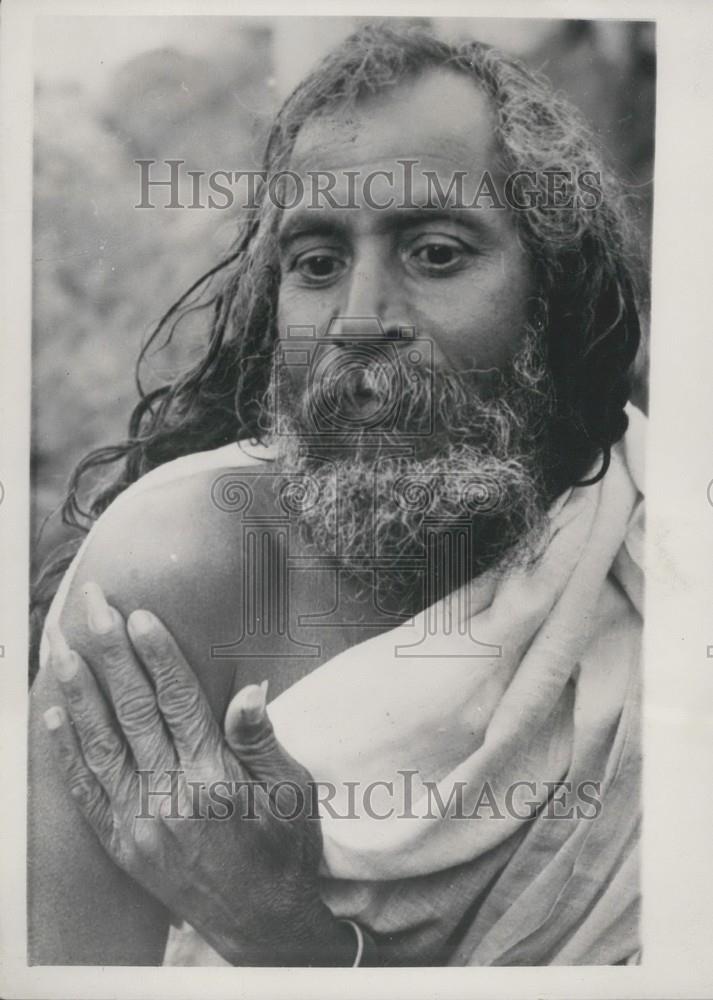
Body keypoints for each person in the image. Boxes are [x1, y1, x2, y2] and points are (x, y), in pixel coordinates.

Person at [28, 21, 645, 966]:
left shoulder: (654, 559)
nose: (359, 322)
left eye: (436, 253)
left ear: (549, 288)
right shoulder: (180, 567)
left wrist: (293, 944)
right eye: (316, 263)